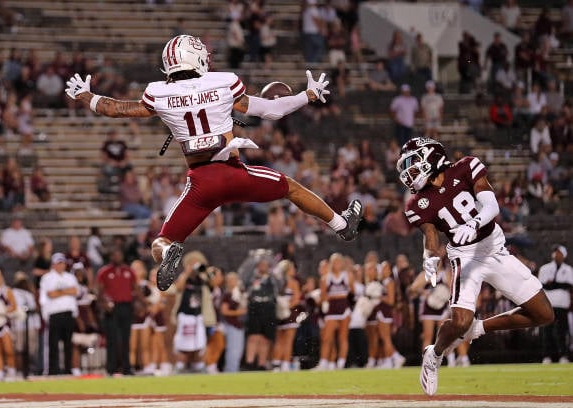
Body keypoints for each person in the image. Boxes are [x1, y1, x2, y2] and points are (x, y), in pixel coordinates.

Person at [64, 34, 362, 292]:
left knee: (161, 240)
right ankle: (341, 224)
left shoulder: (160, 93)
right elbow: (272, 110)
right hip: (234, 173)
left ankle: (169, 253)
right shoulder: (224, 82)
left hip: (201, 184)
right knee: (291, 189)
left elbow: (117, 109)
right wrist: (306, 95)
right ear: (197, 59)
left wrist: (85, 95)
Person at [397, 137, 554, 396]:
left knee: (544, 315)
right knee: (460, 321)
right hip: (465, 255)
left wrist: (475, 222)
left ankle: (479, 329)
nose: (409, 172)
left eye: (414, 163)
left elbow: (491, 205)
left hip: (494, 249)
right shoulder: (417, 203)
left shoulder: (466, 167)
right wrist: (429, 256)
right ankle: (434, 355)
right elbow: (430, 235)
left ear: (431, 156)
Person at [96, 248, 137, 376]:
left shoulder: (128, 271)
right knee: (112, 339)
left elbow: (135, 289)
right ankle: (111, 368)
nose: (117, 257)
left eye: (119, 254)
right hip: (112, 309)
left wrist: (142, 304)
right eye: (115, 254)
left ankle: (126, 368)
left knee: (126, 339)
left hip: (126, 306)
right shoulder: (104, 272)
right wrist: (104, 304)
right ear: (111, 257)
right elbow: (99, 292)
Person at [39, 253, 78, 376]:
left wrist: (59, 292)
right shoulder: (47, 278)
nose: (61, 265)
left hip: (68, 313)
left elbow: (75, 291)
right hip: (54, 313)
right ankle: (53, 370)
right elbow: (50, 294)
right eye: (58, 263)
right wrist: (67, 291)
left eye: (62, 263)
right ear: (53, 264)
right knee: (53, 344)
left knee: (68, 344)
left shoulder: (70, 277)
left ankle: (68, 369)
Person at [538, 245, 573, 364]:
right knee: (547, 331)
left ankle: (564, 356)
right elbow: (542, 286)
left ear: (564, 255)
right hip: (548, 305)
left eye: (559, 253)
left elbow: (568, 285)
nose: (557, 255)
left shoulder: (568, 269)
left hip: (562, 305)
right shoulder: (544, 268)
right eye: (555, 252)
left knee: (562, 332)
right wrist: (558, 285)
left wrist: (553, 284)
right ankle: (547, 356)